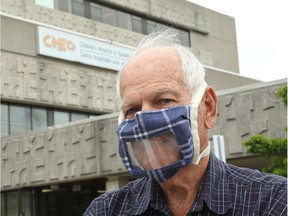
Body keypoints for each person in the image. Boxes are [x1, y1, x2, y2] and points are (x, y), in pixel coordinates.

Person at [83, 29, 287, 216]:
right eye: (132, 110)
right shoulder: (105, 210)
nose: (144, 121)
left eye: (164, 100)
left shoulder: (272, 201)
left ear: (208, 107)